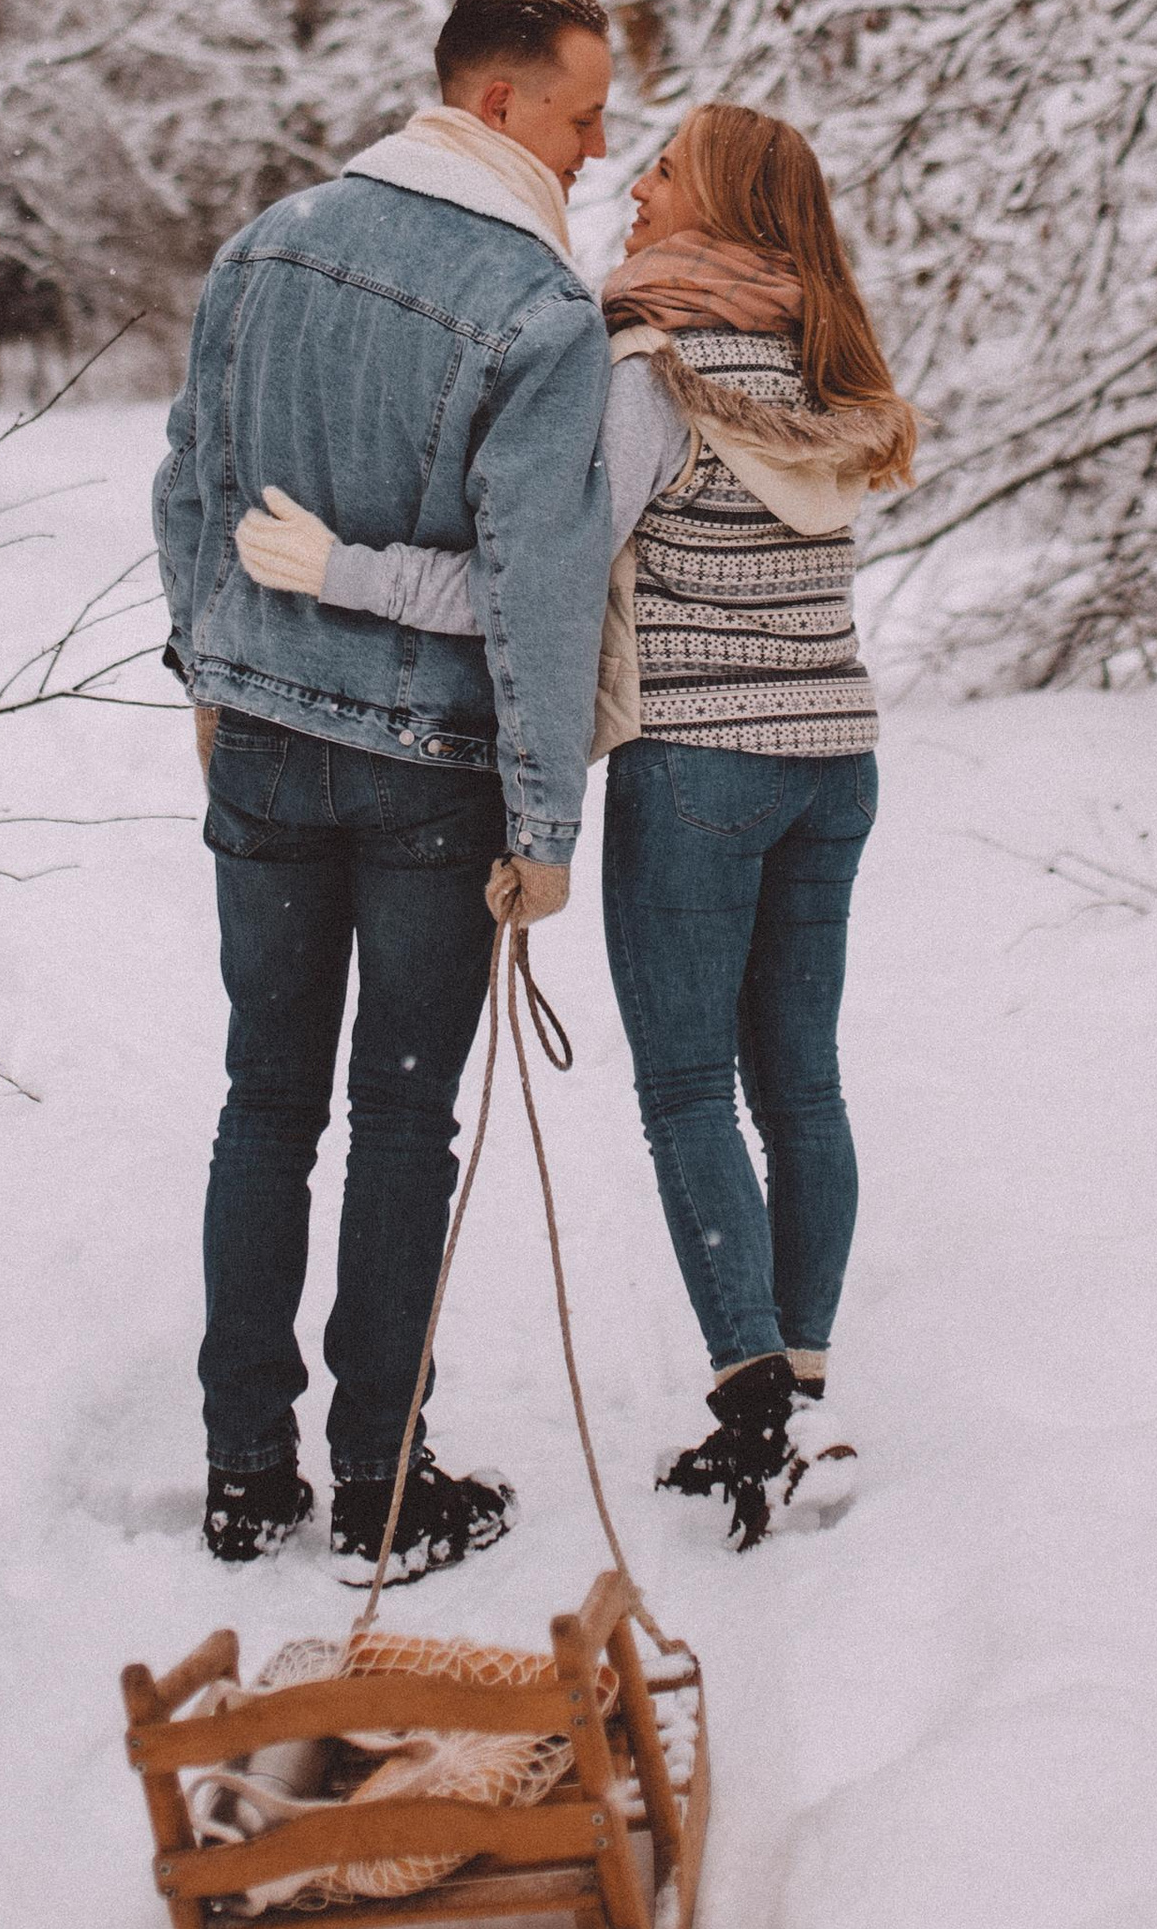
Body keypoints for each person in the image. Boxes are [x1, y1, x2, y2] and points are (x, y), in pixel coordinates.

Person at [240, 102, 913, 1550]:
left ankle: (758, 1412)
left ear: (715, 200)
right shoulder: (827, 358)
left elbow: (528, 589)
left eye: (664, 165)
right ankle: (798, 1387)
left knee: (685, 1087)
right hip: (834, 761)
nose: (633, 179)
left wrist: (340, 568)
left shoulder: (649, 372)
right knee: (800, 1082)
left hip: (702, 768)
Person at [153, 0, 616, 1580]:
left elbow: (195, 485)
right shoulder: (542, 313)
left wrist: (205, 663)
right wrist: (549, 820)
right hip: (432, 767)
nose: (599, 147)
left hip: (269, 741)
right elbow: (541, 585)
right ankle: (379, 1478)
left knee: (263, 1101)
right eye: (580, 116)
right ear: (499, 108)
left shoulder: (266, 247)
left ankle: (242, 1469)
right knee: (402, 1119)